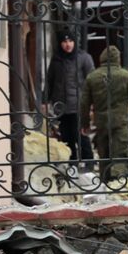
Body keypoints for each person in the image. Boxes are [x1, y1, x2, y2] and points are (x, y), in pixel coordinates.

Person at [81, 45, 128, 181]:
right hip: (120, 121)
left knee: (104, 153)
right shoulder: (125, 75)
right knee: (119, 152)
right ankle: (118, 182)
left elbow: (84, 103)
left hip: (101, 122)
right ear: (118, 59)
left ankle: (104, 181)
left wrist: (85, 123)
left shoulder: (92, 77)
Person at [43, 29, 95, 167]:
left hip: (79, 104)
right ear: (60, 43)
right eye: (64, 41)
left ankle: (89, 163)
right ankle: (72, 164)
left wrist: (92, 102)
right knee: (66, 137)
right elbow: (50, 81)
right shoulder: (56, 59)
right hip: (61, 105)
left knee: (81, 135)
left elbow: (92, 81)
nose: (68, 44)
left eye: (70, 41)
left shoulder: (84, 58)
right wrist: (45, 100)